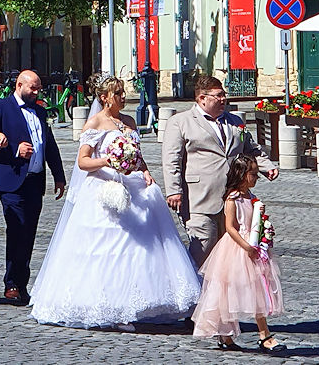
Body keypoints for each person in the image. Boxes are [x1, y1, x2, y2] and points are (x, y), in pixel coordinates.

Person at [30, 78, 201, 329]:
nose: (122, 97)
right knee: (109, 249)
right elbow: (83, 162)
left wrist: (144, 171)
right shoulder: (95, 123)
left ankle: (133, 303)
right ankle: (111, 307)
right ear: (105, 97)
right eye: (117, 93)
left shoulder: (129, 122)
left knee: (137, 249)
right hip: (104, 190)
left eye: (123, 92)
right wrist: (107, 160)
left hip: (132, 187)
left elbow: (136, 156)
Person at [162, 75, 278, 266]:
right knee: (204, 245)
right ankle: (192, 287)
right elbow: (171, 159)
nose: (223, 99)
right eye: (218, 96)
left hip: (233, 197)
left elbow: (251, 148)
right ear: (202, 98)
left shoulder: (234, 121)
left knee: (228, 251)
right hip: (199, 197)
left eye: (224, 95)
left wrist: (267, 167)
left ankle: (219, 293)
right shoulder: (180, 122)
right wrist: (174, 190)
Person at [0, 68, 67, 305]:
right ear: (19, 85)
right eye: (33, 88)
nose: (37, 92)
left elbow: (49, 145)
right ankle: (12, 284)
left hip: (35, 180)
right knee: (17, 229)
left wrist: (58, 175)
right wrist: (14, 147)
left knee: (29, 232)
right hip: (10, 180)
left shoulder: (39, 110)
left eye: (39, 88)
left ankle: (22, 283)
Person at [192, 155, 286, 352]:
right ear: (242, 175)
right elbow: (230, 227)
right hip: (236, 248)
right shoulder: (232, 198)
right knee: (225, 292)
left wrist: (264, 232)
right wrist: (246, 246)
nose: (256, 177)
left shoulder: (251, 197)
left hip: (254, 247)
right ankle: (224, 334)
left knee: (259, 288)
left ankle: (264, 334)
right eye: (252, 174)